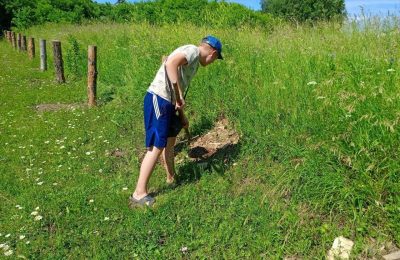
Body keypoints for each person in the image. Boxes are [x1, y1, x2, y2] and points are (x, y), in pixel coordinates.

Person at [129, 35, 223, 207]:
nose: (213, 62)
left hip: (170, 103)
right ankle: (139, 193)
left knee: (170, 142)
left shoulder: (194, 63)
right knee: (156, 146)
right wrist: (178, 94)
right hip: (159, 98)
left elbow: (178, 87)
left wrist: (182, 114)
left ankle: (170, 176)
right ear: (213, 53)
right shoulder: (192, 51)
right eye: (215, 59)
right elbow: (170, 64)